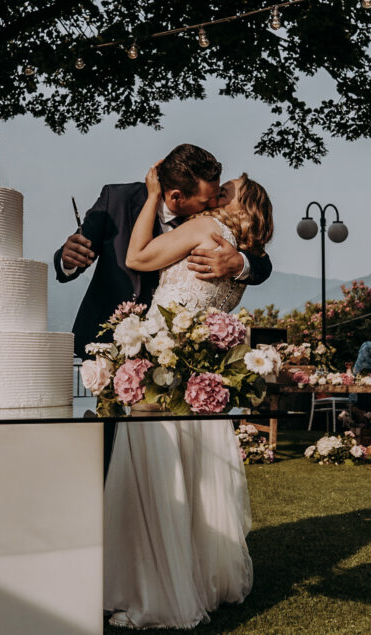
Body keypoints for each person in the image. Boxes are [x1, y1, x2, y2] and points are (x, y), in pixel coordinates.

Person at [103, 166, 274, 629]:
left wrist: (154, 191)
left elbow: (137, 258)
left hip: (160, 372)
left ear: (240, 205)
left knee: (157, 481)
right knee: (193, 485)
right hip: (197, 383)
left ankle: (157, 592)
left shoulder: (204, 228)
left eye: (227, 190)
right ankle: (199, 581)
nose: (217, 192)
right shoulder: (237, 257)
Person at [53, 143, 273, 359]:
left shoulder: (206, 220)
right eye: (208, 199)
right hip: (105, 342)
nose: (214, 203)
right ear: (177, 196)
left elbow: (262, 262)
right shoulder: (116, 199)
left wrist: (241, 264)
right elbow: (80, 248)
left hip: (167, 350)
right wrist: (67, 259)